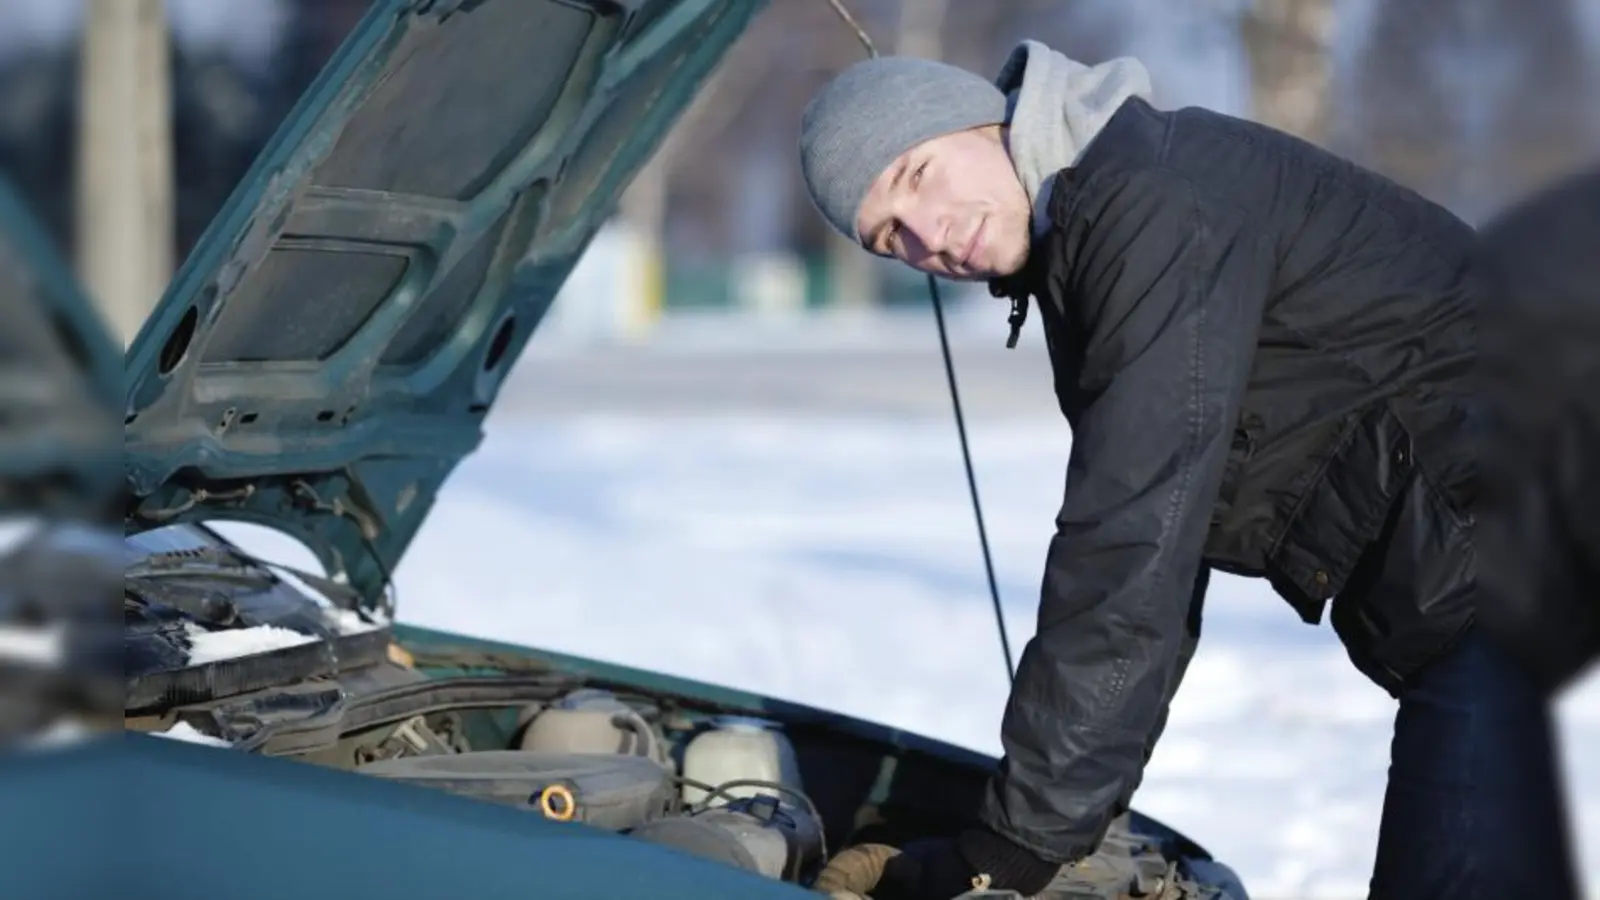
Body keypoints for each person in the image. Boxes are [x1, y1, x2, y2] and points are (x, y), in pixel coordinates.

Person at [797, 41, 1571, 900]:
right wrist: (1068, 823)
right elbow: (1166, 555)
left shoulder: (1149, 203)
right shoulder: (1097, 221)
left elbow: (1133, 535)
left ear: (983, 121)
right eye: (890, 238)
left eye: (917, 175)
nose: (928, 235)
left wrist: (1018, 844)